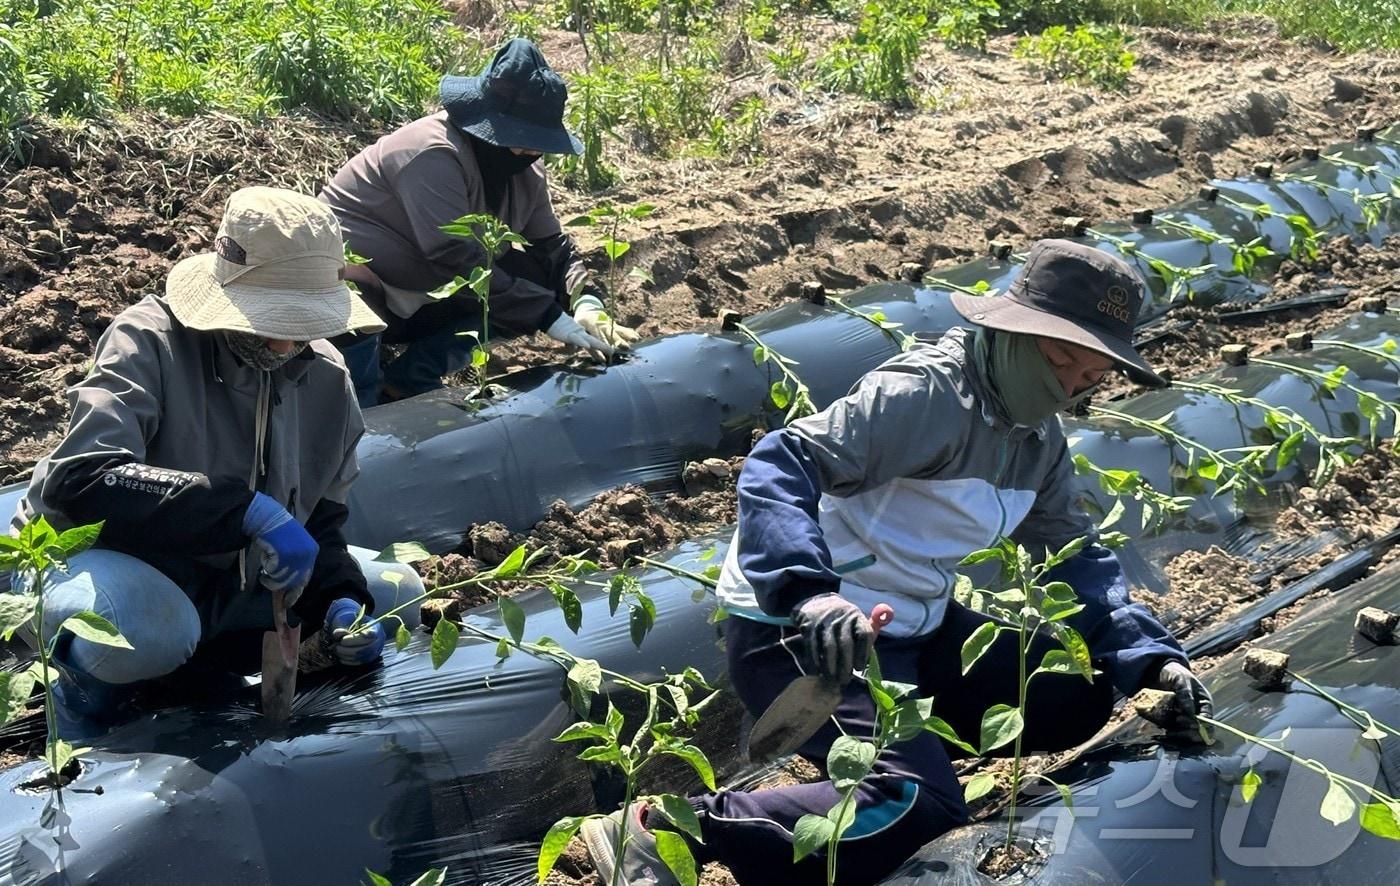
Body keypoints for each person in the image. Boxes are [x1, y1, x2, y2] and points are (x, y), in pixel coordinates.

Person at [581, 240, 1214, 884]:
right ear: (1010, 332)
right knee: (923, 808)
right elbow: (779, 462)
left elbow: (1074, 550)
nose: (1068, 387)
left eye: (1091, 377)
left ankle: (903, 760)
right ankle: (669, 828)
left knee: (1075, 694)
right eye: (1059, 360)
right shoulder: (923, 396)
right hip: (808, 633)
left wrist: (1150, 657)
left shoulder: (1037, 442)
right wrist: (808, 592)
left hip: (911, 624)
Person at [12, 186, 424, 735]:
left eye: (301, 326)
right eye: (272, 322)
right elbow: (82, 479)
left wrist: (343, 598)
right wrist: (246, 511)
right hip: (102, 561)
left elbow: (321, 523)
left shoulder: (327, 378)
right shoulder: (150, 341)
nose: (284, 346)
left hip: (225, 583)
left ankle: (200, 681)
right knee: (147, 628)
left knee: (397, 592)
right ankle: (85, 702)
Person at [320, 38, 637, 407]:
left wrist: (586, 302)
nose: (529, 152)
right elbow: (451, 254)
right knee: (348, 298)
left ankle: (409, 379)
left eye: (536, 143)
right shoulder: (431, 152)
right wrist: (549, 316)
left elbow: (552, 248)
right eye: (521, 141)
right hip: (370, 294)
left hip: (429, 295)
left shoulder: (525, 170)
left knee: (533, 279)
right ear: (486, 126)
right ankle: (360, 408)